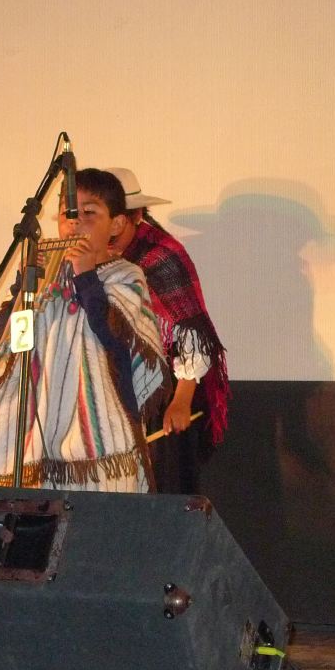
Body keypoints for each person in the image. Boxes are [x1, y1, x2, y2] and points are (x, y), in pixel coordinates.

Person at [0, 169, 167, 492]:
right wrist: (25, 291)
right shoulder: (43, 273)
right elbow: (12, 344)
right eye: (67, 214)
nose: (74, 224)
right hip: (43, 423)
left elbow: (118, 343)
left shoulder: (126, 275)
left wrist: (87, 276)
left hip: (102, 440)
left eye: (89, 213)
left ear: (116, 225)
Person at [106, 167, 230, 495]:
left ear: (133, 217)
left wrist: (181, 399)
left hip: (167, 391)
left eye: (116, 229)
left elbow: (191, 330)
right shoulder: (99, 260)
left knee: (166, 484)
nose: (111, 238)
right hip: (122, 387)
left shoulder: (161, 257)